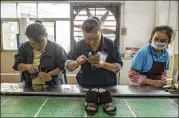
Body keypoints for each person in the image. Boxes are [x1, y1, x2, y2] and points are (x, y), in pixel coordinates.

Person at [65, 16, 123, 115]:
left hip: (107, 86)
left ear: (101, 31)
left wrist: (104, 64)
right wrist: (76, 63)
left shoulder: (110, 44)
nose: (91, 42)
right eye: (87, 38)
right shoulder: (79, 45)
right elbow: (67, 65)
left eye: (94, 38)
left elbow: (118, 66)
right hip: (85, 87)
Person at [13, 23, 67, 87]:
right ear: (28, 38)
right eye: (33, 44)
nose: (38, 47)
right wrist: (27, 66)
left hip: (53, 86)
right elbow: (17, 65)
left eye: (41, 43)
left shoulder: (57, 49)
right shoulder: (24, 48)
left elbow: (62, 67)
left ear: (46, 35)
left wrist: (49, 74)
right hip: (29, 86)